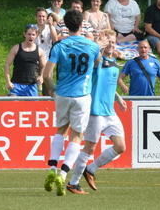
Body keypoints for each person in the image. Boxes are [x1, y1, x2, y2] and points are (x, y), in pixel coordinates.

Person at [42, 10, 100, 197]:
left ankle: (51, 169)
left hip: (63, 94)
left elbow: (47, 75)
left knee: (60, 130)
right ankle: (64, 173)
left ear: (65, 25)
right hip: (82, 95)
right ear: (82, 24)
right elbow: (98, 62)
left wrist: (52, 91)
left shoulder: (59, 46)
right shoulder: (92, 46)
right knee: (77, 135)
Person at [66, 29, 127, 194]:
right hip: (95, 112)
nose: (111, 45)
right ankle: (73, 182)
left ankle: (91, 169)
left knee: (121, 146)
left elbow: (108, 85)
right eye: (108, 42)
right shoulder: (97, 62)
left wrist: (118, 97)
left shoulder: (114, 65)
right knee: (89, 148)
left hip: (110, 112)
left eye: (113, 42)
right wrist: (98, 45)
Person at [4, 24, 47, 96]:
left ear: (36, 35)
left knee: (32, 107)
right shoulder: (16, 48)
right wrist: (8, 81)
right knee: (12, 107)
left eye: (33, 34)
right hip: (16, 85)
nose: (31, 37)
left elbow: (43, 66)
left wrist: (41, 76)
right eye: (29, 34)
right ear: (24, 34)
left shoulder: (40, 51)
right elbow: (7, 64)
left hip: (31, 86)